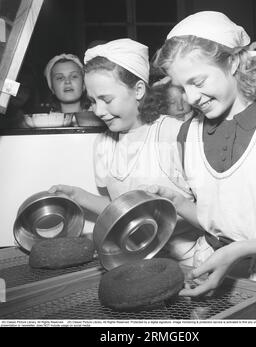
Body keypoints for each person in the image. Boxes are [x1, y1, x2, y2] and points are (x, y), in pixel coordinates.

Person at [147, 11, 256, 318]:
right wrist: (174, 201)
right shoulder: (186, 133)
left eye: (198, 81)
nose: (190, 98)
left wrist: (237, 251)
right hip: (213, 285)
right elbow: (220, 218)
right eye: (181, 87)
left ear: (232, 63)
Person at [49, 39, 200, 266]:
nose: (98, 111)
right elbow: (120, 211)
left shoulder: (176, 134)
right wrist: (78, 196)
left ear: (138, 90)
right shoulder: (104, 143)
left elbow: (211, 215)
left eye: (106, 99)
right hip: (132, 262)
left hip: (188, 262)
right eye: (92, 101)